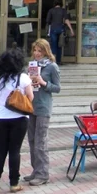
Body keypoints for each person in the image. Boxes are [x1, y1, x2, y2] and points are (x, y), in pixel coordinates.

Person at [0, 48, 34, 193]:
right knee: (15, 150)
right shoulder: (23, 78)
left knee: (0, 151)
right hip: (19, 118)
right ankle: (14, 183)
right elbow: (30, 97)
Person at [24, 39, 61, 186]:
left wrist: (43, 82)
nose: (37, 54)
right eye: (35, 50)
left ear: (46, 51)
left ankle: (43, 174)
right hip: (30, 105)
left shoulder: (52, 67)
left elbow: (57, 88)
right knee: (32, 140)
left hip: (43, 107)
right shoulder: (32, 65)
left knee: (41, 141)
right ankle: (35, 170)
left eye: (40, 51)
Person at [45, 0, 74, 65]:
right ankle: (58, 61)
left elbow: (48, 21)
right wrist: (71, 29)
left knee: (53, 45)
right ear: (61, 4)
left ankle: (53, 61)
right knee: (59, 45)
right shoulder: (63, 10)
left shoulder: (51, 10)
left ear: (54, 4)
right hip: (61, 29)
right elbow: (66, 20)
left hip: (53, 29)